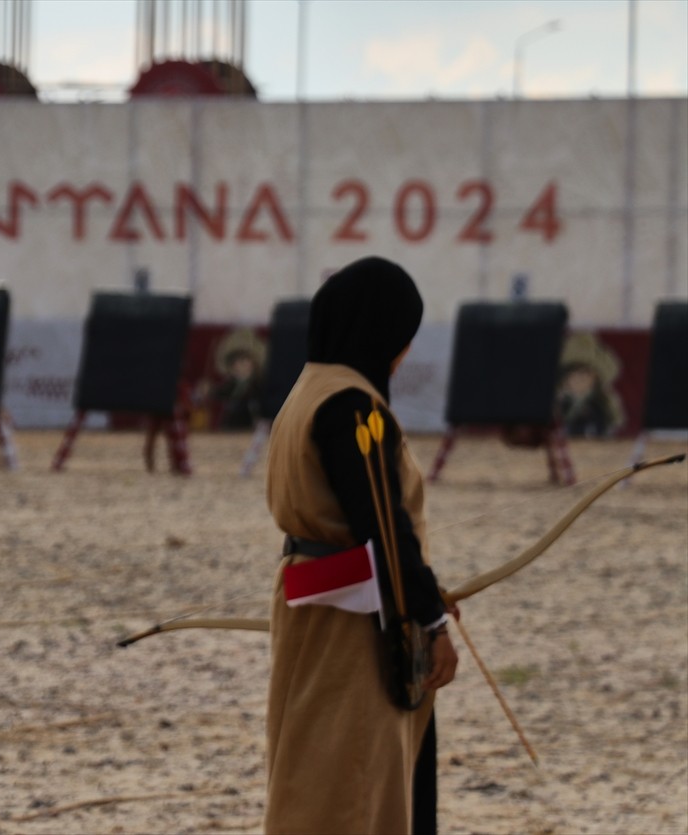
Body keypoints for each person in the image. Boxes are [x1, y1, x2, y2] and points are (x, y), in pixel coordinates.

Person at [263, 256, 458, 835]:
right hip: (354, 620)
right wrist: (429, 620)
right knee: (347, 775)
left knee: (315, 758)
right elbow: (383, 526)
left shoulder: (308, 388)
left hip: (323, 599)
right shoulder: (352, 407)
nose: (402, 354)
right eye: (402, 338)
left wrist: (427, 594)